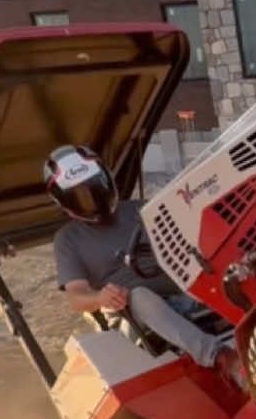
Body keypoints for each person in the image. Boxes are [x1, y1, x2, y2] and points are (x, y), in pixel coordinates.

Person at [45, 144, 237, 377]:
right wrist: (100, 297)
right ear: (65, 202)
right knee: (141, 295)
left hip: (180, 288)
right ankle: (218, 356)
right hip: (131, 314)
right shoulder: (68, 239)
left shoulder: (141, 210)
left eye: (95, 188)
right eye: (81, 197)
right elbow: (76, 296)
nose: (92, 200)